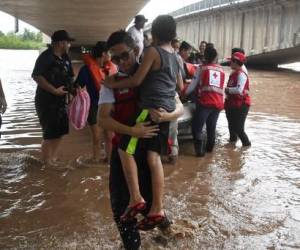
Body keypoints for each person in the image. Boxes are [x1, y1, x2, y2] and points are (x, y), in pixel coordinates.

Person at [99, 30, 183, 249]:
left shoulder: (154, 73)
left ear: (135, 51)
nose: (120, 63)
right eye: (114, 59)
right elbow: (103, 120)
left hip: (148, 154)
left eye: (124, 56)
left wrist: (167, 115)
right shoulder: (111, 84)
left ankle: (170, 235)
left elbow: (179, 106)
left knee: (153, 206)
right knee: (121, 211)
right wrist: (131, 130)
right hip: (124, 152)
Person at [32, 30, 75, 166]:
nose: (69, 45)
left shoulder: (66, 57)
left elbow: (70, 76)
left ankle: (52, 158)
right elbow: (37, 76)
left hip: (61, 101)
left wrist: (73, 91)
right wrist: (54, 91)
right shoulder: (46, 57)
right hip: (46, 101)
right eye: (67, 42)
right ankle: (46, 162)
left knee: (61, 130)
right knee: (49, 132)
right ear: (61, 43)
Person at [76, 41, 117, 163]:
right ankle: (95, 161)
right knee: (97, 137)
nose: (110, 55)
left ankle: (110, 161)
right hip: (94, 107)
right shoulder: (86, 70)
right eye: (109, 52)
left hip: (109, 106)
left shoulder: (111, 68)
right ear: (103, 54)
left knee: (110, 137)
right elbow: (78, 85)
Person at [183, 46, 225, 156]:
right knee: (211, 128)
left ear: (204, 56)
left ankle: (200, 154)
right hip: (218, 104)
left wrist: (184, 93)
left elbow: (192, 86)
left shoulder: (201, 68)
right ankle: (209, 153)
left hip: (205, 103)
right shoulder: (221, 70)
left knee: (197, 128)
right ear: (215, 57)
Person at [225, 52, 251, 146]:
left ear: (236, 62)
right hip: (232, 104)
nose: (230, 63)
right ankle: (231, 149)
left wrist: (227, 90)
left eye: (231, 61)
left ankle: (246, 145)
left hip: (241, 105)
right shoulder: (234, 73)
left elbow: (239, 90)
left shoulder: (241, 74)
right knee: (231, 128)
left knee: (239, 129)